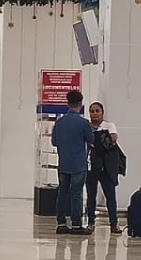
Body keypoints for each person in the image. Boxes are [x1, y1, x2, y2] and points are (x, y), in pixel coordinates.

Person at [52, 90, 94, 235]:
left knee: (62, 193)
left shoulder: (59, 122)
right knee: (76, 194)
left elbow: (54, 142)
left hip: (63, 164)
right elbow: (91, 140)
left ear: (67, 103)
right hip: (78, 164)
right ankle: (76, 224)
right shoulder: (83, 123)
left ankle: (61, 223)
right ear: (80, 104)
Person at [85, 102, 122, 233]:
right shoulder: (86, 127)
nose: (95, 114)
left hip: (106, 167)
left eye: (97, 111)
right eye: (92, 111)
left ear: (102, 112)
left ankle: (114, 223)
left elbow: (113, 138)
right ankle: (90, 222)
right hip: (91, 166)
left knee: (110, 196)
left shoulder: (108, 125)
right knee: (91, 196)